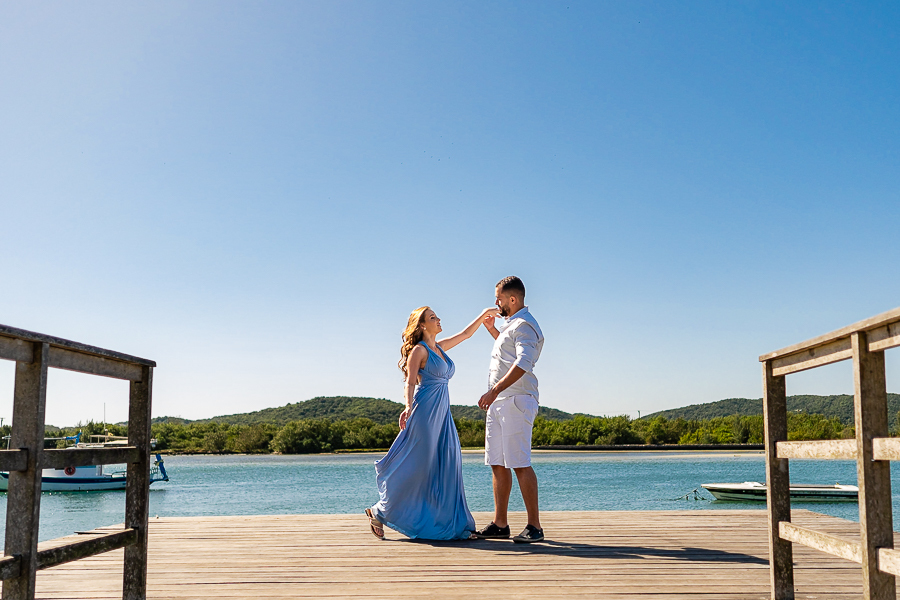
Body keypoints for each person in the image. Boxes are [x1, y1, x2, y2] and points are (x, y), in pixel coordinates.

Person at [366, 305, 500, 540]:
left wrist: (482, 315)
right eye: (433, 317)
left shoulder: (440, 348)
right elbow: (409, 383)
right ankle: (381, 511)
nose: (438, 319)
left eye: (437, 316)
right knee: (420, 466)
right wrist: (408, 407)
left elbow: (466, 334)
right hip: (425, 413)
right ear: (422, 325)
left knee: (449, 464)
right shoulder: (419, 350)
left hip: (443, 415)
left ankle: (457, 526)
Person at [473, 276, 545, 543]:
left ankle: (534, 526)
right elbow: (508, 355)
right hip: (500, 402)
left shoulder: (525, 325)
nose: (496, 303)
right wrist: (493, 330)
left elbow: (524, 362)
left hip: (516, 400)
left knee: (519, 463)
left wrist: (494, 390)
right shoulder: (511, 325)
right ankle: (500, 523)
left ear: (512, 299)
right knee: (497, 462)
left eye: (499, 298)